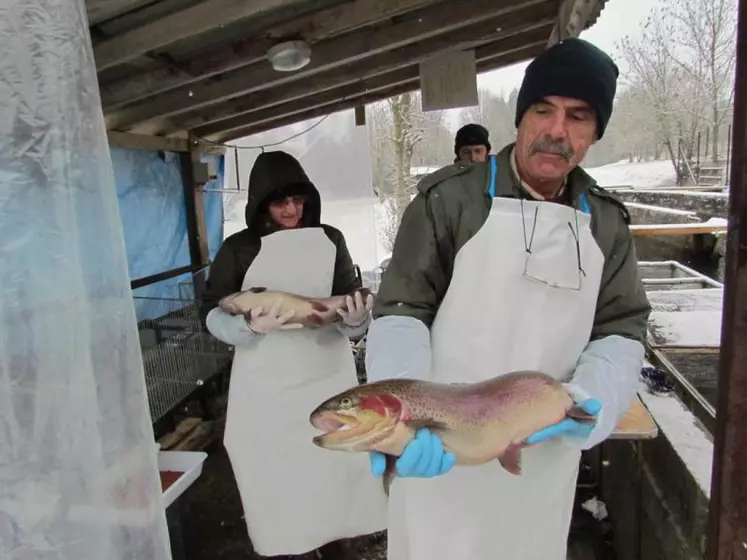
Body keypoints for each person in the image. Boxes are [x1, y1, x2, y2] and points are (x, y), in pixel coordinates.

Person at [364, 38, 651, 560]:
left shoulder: (606, 222)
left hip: (540, 458)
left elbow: (622, 327)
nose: (557, 131)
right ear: (521, 117)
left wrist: (591, 398)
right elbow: (402, 312)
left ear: (595, 134)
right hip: (443, 450)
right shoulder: (447, 201)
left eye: (579, 117)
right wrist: (406, 416)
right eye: (543, 110)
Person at [203, 150, 387, 560]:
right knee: (280, 479)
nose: (291, 210)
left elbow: (347, 300)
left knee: (333, 472)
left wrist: (356, 322)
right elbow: (211, 309)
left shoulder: (330, 239)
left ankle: (341, 546)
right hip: (266, 385)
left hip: (327, 377)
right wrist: (246, 327)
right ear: (261, 204)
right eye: (281, 202)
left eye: (298, 201)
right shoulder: (239, 248)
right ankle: (293, 549)